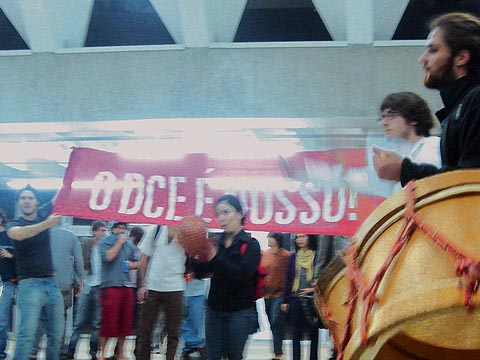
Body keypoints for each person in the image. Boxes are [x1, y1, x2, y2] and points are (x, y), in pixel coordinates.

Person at [374, 12, 480, 184]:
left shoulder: (474, 102)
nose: (422, 59)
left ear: (461, 58)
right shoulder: (457, 110)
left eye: (433, 50)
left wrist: (405, 170)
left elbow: (472, 180)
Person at [190, 194, 261, 360]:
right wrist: (195, 254)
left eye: (226, 212)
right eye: (218, 214)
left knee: (234, 356)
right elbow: (201, 273)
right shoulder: (215, 242)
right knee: (212, 355)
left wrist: (214, 257)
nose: (221, 218)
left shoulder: (250, 244)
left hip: (240, 312)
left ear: (240, 213)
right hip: (214, 310)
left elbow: (240, 276)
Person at [5, 185, 64, 360]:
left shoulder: (43, 213)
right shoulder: (14, 224)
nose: (27, 201)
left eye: (30, 198)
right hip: (29, 285)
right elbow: (19, 235)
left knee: (56, 335)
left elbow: (61, 195)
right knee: (26, 336)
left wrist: (74, 170)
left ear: (37, 201)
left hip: (52, 283)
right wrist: (47, 224)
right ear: (19, 203)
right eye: (23, 198)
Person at [134, 225, 186, 360]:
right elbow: (143, 258)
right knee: (145, 330)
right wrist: (143, 284)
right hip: (153, 285)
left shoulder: (188, 231)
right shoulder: (155, 229)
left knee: (173, 332)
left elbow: (195, 256)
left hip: (176, 286)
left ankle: (171, 357)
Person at [32, 226, 84, 359]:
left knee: (39, 319)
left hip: (40, 283)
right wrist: (79, 281)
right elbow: (78, 261)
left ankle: (32, 352)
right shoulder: (70, 236)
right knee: (60, 320)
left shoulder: (37, 233)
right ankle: (58, 352)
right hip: (64, 284)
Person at [66, 220, 109, 359]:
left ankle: (93, 352)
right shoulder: (86, 243)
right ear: (95, 231)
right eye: (102, 230)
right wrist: (78, 281)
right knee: (79, 321)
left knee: (97, 322)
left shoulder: (106, 247)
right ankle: (71, 350)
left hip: (100, 286)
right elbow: (77, 263)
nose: (104, 233)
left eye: (105, 231)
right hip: (87, 285)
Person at [99, 222, 139, 360]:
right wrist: (118, 243)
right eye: (118, 228)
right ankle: (102, 352)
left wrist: (131, 265)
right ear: (113, 229)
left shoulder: (130, 244)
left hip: (126, 285)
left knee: (125, 321)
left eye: (123, 228)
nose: (121, 231)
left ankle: (121, 353)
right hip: (110, 285)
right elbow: (108, 257)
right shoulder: (106, 241)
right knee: (108, 320)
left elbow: (137, 262)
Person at [281, 234, 318, 360]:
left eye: (302, 236)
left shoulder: (317, 255)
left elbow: (323, 278)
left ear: (310, 238)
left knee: (313, 332)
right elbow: (288, 279)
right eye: (297, 237)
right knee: (296, 333)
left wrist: (313, 289)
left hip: (312, 299)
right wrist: (285, 300)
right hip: (295, 298)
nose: (299, 240)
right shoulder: (293, 257)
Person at [261, 232, 290, 360]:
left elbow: (290, 275)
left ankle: (278, 353)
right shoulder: (265, 254)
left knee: (276, 320)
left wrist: (287, 297)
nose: (268, 239)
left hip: (280, 294)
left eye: (271, 237)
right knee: (272, 324)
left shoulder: (286, 256)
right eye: (268, 237)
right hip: (266, 294)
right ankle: (277, 351)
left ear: (277, 240)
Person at [180, 276, 209, 360]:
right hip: (178, 289)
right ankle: (193, 345)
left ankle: (198, 346)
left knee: (198, 324)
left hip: (200, 291)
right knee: (183, 323)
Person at [0, 209, 16, 360]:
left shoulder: (9, 236)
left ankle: (0, 351)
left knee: (2, 320)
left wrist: (10, 255)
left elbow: (22, 257)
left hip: (6, 282)